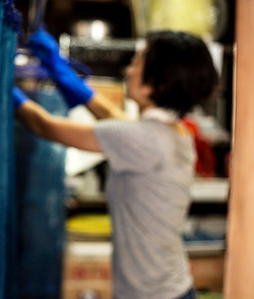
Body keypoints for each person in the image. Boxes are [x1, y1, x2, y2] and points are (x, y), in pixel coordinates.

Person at [13, 29, 218, 299]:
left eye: (137, 62)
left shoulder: (142, 139)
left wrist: (2, 85)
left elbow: (43, 125)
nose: (129, 69)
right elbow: (111, 115)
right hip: (173, 290)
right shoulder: (175, 133)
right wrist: (59, 68)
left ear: (153, 84)